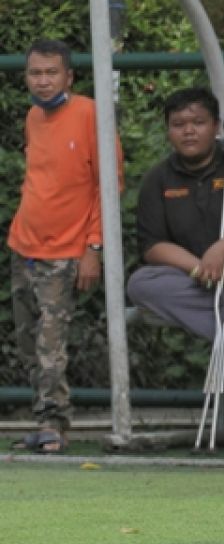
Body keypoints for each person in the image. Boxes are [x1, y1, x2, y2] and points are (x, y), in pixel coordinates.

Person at [8, 39, 123, 455]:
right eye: (35, 73)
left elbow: (110, 185)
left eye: (50, 73)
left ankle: (55, 425)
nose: (42, 81)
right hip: (25, 246)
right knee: (27, 340)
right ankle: (41, 419)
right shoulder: (33, 118)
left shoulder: (92, 115)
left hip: (66, 250)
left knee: (50, 343)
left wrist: (93, 246)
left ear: (69, 76)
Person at [126, 87, 224, 428]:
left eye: (198, 122)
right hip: (205, 288)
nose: (188, 130)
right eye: (178, 124)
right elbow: (153, 246)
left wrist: (222, 248)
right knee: (142, 283)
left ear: (216, 126)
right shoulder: (158, 178)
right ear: (168, 131)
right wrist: (200, 267)